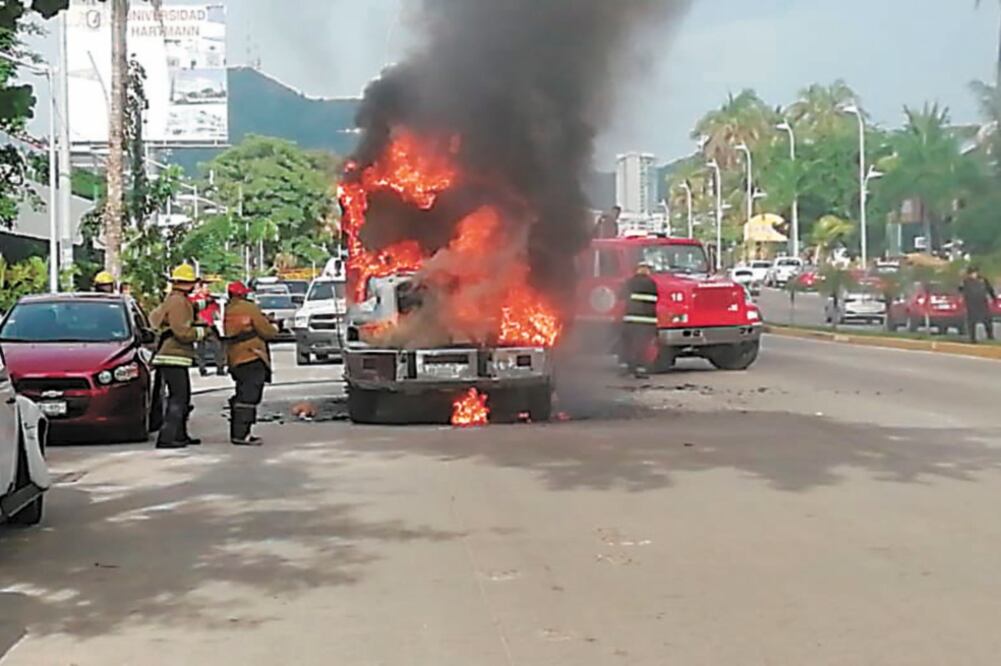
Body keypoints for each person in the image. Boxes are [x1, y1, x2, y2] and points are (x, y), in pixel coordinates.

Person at [149, 264, 210, 449]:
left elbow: (187, 309)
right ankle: (167, 437)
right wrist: (202, 332)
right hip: (173, 356)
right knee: (178, 399)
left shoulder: (176, 299)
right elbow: (182, 331)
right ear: (188, 283)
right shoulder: (178, 302)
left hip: (170, 356)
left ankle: (180, 435)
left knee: (182, 398)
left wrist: (204, 304)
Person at [223, 281, 279, 446]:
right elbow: (266, 331)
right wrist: (273, 326)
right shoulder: (249, 308)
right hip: (252, 356)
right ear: (243, 294)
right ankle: (242, 434)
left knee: (242, 393)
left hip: (235, 358)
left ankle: (238, 432)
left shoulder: (229, 309)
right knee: (250, 396)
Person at [621, 262, 660, 378]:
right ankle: (640, 369)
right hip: (647, 321)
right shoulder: (651, 283)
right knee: (642, 345)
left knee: (630, 344)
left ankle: (629, 368)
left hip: (631, 319)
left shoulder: (630, 282)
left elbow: (621, 296)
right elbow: (655, 300)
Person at [190, 281, 226, 377]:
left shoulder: (211, 299)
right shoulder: (194, 299)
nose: (208, 289)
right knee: (201, 348)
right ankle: (202, 368)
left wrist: (220, 322)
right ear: (200, 288)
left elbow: (216, 311)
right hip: (199, 326)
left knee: (217, 347)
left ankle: (220, 367)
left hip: (210, 326)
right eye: (206, 287)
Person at [960, 266, 997, 344]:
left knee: (987, 320)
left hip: (982, 302)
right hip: (971, 304)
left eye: (975, 272)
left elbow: (990, 289)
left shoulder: (983, 280)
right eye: (972, 273)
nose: (974, 275)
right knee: (971, 322)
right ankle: (972, 338)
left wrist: (994, 298)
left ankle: (990, 336)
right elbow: (960, 290)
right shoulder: (965, 281)